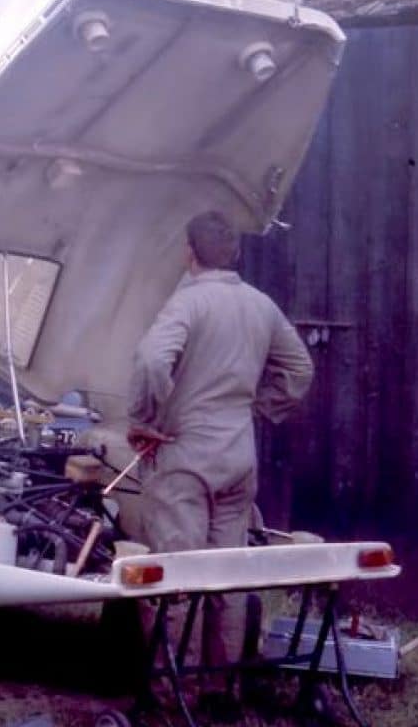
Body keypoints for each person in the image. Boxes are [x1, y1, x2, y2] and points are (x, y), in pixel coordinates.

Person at [127, 210, 313, 719]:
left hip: (185, 454)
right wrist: (258, 407)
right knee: (226, 576)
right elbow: (299, 370)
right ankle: (219, 693)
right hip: (238, 453)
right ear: (233, 254)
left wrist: (146, 417)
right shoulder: (261, 306)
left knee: (176, 576)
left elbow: (149, 361)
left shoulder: (186, 303)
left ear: (190, 252)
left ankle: (169, 697)